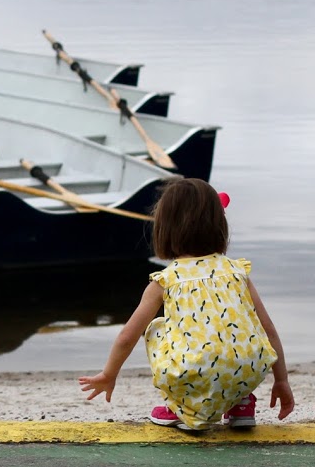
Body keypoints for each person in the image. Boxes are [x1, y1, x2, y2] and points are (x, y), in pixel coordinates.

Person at [80, 178, 294, 430]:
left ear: (164, 228)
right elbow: (267, 329)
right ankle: (242, 402)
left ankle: (182, 407)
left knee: (156, 328)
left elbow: (128, 335)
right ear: (219, 225)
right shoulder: (236, 271)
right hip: (250, 370)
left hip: (194, 373)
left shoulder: (166, 280)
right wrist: (282, 380)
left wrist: (108, 374)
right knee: (239, 333)